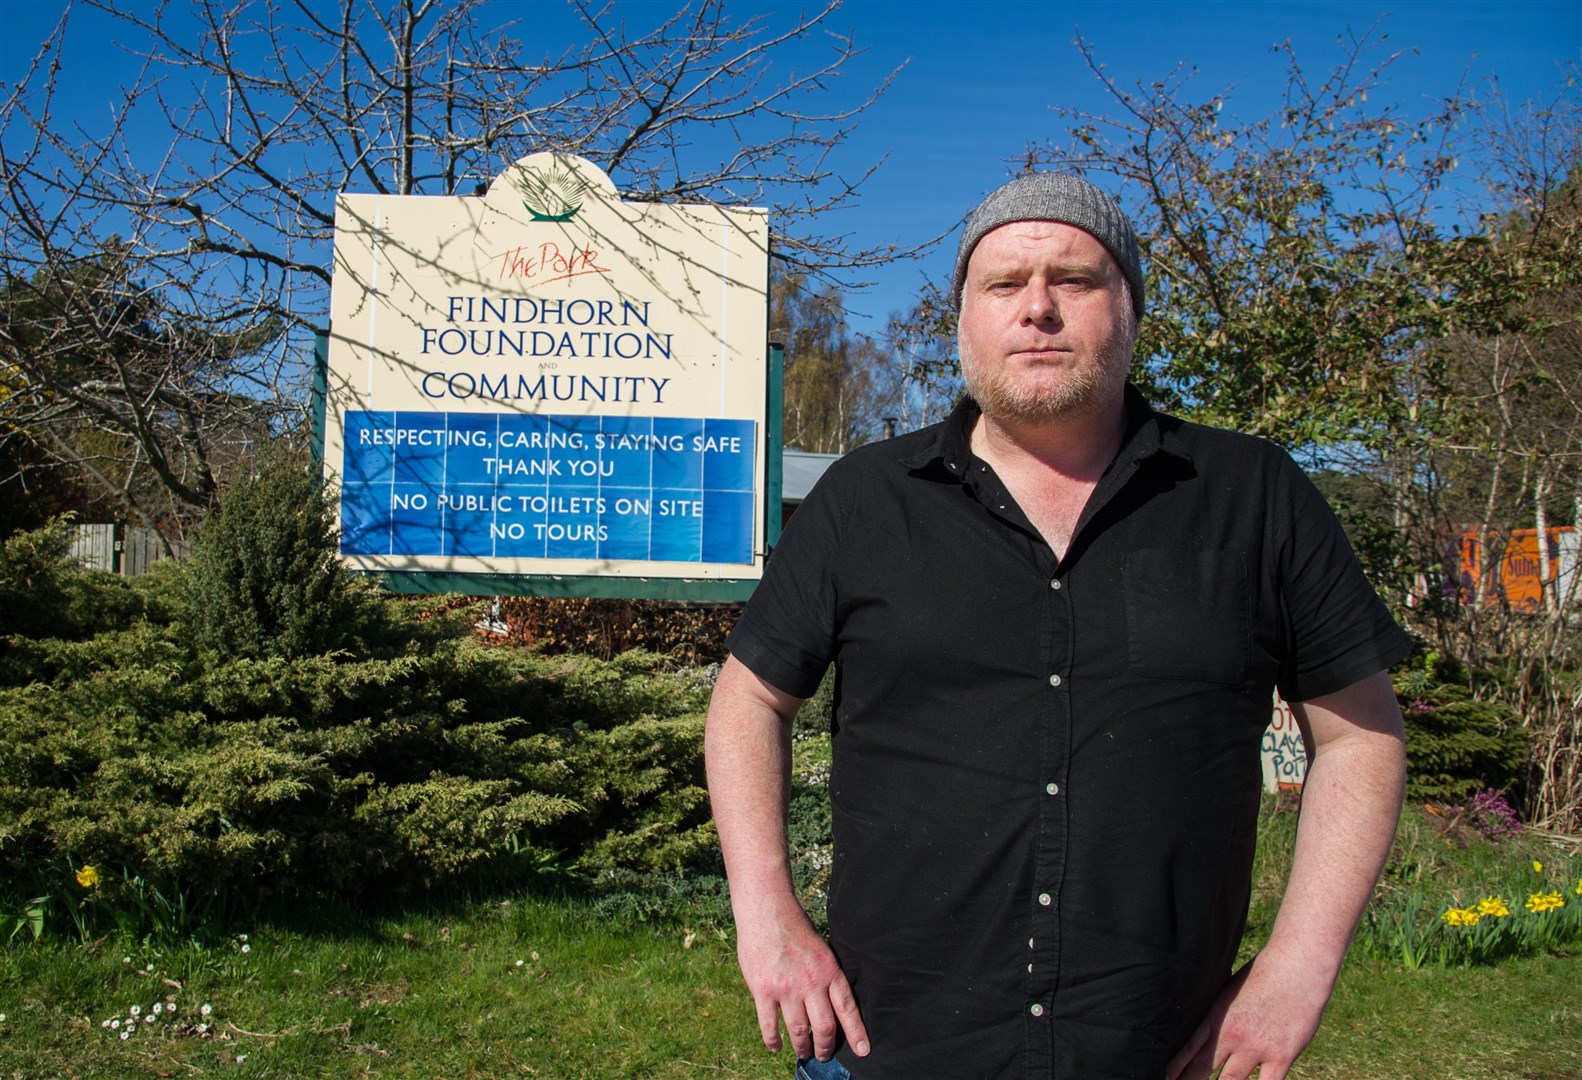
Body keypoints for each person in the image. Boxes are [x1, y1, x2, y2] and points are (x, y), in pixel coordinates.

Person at [704, 173, 1411, 1080]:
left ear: (1131, 310)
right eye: (1003, 284)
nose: (1036, 308)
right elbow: (748, 698)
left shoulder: (1253, 497)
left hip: (1162, 1050)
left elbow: (1361, 738)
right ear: (963, 318)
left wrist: (1299, 967)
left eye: (1074, 280)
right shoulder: (863, 503)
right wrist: (766, 917)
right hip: (888, 1046)